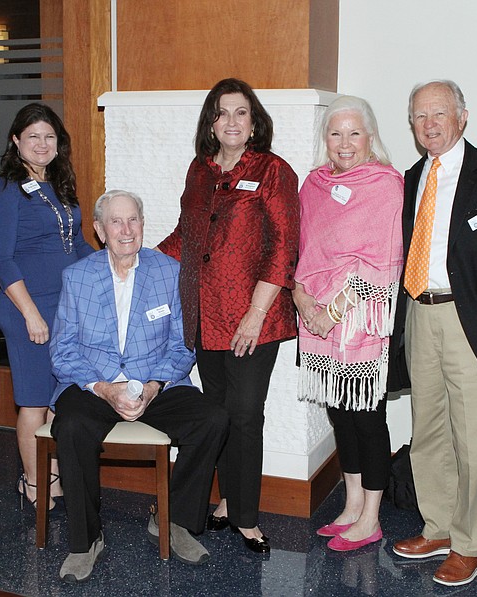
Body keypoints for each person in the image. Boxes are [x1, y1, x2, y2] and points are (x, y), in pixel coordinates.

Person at [50, 190, 228, 583]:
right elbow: (62, 351)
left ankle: (174, 521)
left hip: (155, 381)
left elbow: (183, 345)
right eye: (116, 221)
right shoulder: (77, 277)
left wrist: (152, 386)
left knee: (212, 418)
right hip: (95, 385)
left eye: (134, 220)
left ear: (143, 225)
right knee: (72, 426)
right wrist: (103, 388)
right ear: (99, 229)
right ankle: (86, 540)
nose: (126, 230)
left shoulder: (169, 271)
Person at [158, 78, 299, 554]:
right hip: (204, 316)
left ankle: (246, 516)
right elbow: (186, 236)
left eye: (241, 112)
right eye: (222, 113)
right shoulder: (199, 171)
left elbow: (283, 248)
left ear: (254, 120)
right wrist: (137, 260)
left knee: (245, 415)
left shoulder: (274, 170)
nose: (232, 122)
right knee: (217, 415)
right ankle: (225, 502)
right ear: (211, 122)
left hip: (254, 318)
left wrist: (255, 315)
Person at [391, 80, 477, 587]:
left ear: (462, 117)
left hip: (474, 321)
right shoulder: (410, 178)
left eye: (439, 113)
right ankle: (439, 527)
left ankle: (472, 545)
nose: (429, 124)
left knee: (476, 438)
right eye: (420, 115)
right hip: (420, 314)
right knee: (427, 431)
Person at [293, 95, 404, 552]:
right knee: (339, 414)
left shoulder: (385, 185)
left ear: (370, 136)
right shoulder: (312, 186)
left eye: (354, 133)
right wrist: (304, 302)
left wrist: (331, 312)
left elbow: (383, 260)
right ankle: (353, 502)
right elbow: (302, 255)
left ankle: (372, 517)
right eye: (335, 133)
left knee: (367, 418)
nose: (344, 142)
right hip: (316, 321)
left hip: (360, 323)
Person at [0, 103, 94, 510]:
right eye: (33, 137)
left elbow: (76, 243)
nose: (42, 144)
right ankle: (33, 483)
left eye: (49, 137)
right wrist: (30, 313)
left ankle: (52, 475)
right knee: (32, 397)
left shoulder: (59, 183)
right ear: (16, 141)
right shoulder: (5, 189)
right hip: (26, 306)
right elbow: (3, 258)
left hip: (63, 307)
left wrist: (114, 270)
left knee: (56, 398)